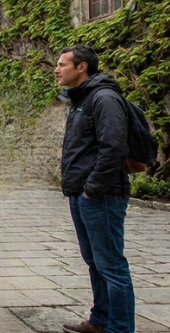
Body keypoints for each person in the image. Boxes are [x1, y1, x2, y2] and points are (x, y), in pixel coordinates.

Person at [54, 44, 135, 333]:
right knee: (95, 262)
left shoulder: (103, 98)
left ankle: (121, 328)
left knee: (112, 265)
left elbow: (113, 147)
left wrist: (93, 189)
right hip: (82, 193)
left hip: (100, 195)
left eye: (62, 64)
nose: (56, 69)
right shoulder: (82, 100)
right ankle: (100, 320)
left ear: (82, 67)